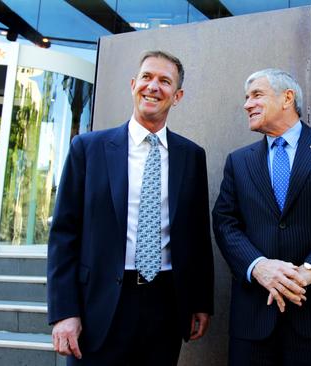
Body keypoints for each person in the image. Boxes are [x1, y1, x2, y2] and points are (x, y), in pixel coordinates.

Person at [47, 50, 214, 365]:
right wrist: (64, 311)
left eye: (165, 81)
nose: (153, 86)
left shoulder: (191, 155)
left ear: (177, 96)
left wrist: (201, 302)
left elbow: (197, 236)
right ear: (133, 84)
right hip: (100, 304)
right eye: (147, 77)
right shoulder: (88, 149)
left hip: (166, 303)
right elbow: (63, 235)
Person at [212, 68, 311, 366]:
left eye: (256, 95)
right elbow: (225, 222)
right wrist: (258, 267)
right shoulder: (239, 161)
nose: (247, 104)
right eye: (246, 98)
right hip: (254, 320)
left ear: (287, 98)